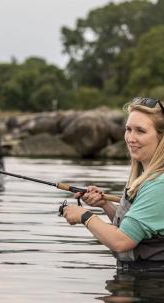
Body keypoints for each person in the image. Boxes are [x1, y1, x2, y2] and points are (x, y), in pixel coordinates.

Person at [63, 97, 164, 270]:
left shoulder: (158, 186)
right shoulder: (146, 178)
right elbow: (134, 228)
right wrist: (105, 204)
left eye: (140, 131)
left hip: (151, 287)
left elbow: (121, 241)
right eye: (128, 129)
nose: (131, 138)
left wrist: (84, 216)